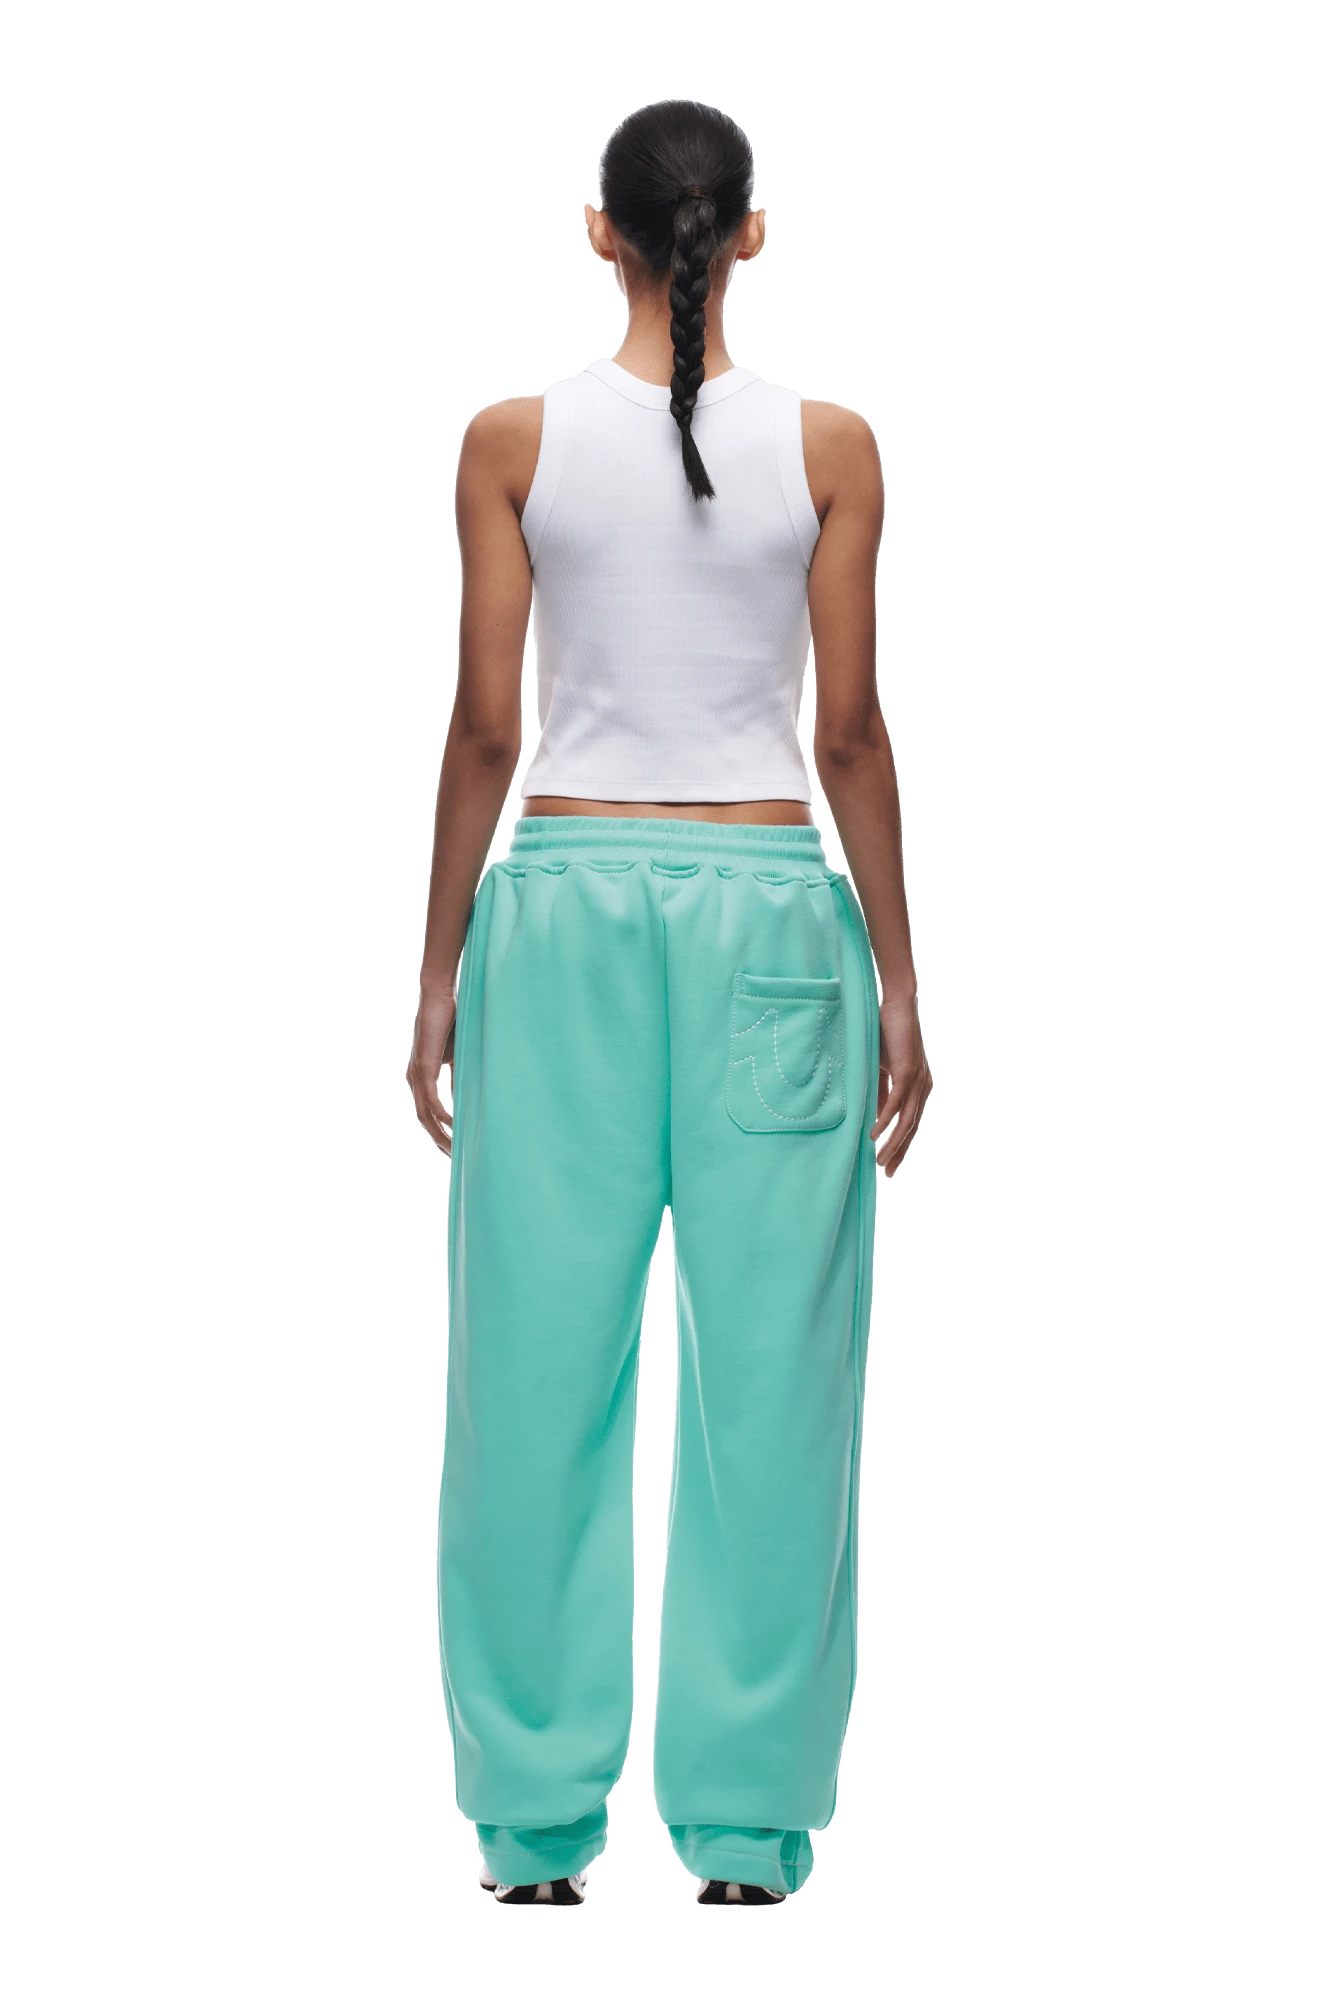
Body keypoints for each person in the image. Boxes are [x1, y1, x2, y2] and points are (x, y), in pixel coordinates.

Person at [412, 100, 932, 1912]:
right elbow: (848, 735)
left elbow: (488, 729)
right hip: (768, 908)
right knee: (776, 1380)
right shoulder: (837, 448)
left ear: (599, 232)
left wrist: (439, 971)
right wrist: (899, 981)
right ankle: (749, 1832)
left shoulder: (513, 441)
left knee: (532, 1369)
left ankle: (534, 1827)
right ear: (755, 236)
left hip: (563, 911)